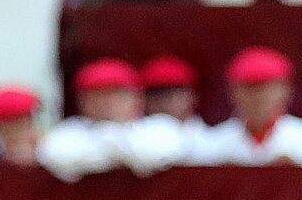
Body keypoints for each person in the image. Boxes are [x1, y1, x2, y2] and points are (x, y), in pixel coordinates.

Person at [36, 59, 189, 182]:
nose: (107, 103)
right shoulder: (68, 131)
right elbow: (56, 155)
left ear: (137, 98)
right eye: (98, 95)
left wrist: (100, 150)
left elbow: (155, 153)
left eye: (116, 94)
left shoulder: (161, 127)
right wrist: (121, 152)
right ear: (82, 102)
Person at [202, 47, 302, 167]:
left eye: (266, 88)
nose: (258, 97)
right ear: (233, 92)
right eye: (249, 88)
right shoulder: (214, 142)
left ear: (286, 90)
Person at [141, 56, 208, 136]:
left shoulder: (210, 137)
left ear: (193, 97)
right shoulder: (132, 135)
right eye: (156, 94)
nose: (164, 102)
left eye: (174, 93)